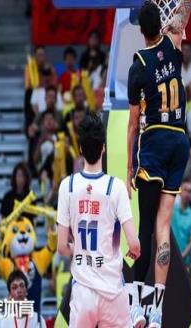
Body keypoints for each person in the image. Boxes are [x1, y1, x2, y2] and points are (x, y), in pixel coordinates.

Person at [127, 0, 191, 328]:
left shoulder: (138, 64)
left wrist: (129, 165)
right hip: (181, 140)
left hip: (156, 140)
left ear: (139, 30)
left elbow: (132, 123)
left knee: (145, 229)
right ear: (162, 21)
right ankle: (156, 308)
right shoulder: (175, 37)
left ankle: (137, 304)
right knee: (163, 226)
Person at [56, 114, 139, 328]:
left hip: (83, 291)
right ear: (104, 148)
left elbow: (62, 248)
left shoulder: (67, 186)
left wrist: (77, 248)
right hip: (112, 291)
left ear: (80, 149)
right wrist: (133, 251)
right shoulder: (116, 187)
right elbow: (134, 244)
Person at [171, 180, 191, 267]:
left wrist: (181, 257)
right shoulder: (171, 209)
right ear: (180, 191)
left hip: (184, 261)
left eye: (190, 191)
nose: (187, 194)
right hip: (168, 256)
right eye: (185, 190)